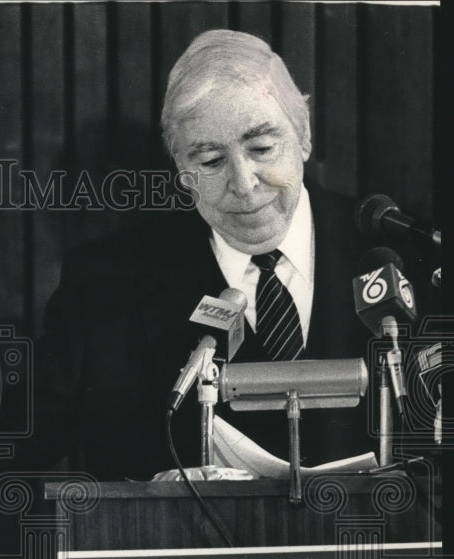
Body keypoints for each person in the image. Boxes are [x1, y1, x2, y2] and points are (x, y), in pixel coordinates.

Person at [33, 28, 436, 481]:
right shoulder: (107, 282)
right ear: (183, 172)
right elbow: (8, 447)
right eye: (210, 162)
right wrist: (150, 501)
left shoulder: (417, 255)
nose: (243, 184)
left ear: (303, 136)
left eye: (262, 148)